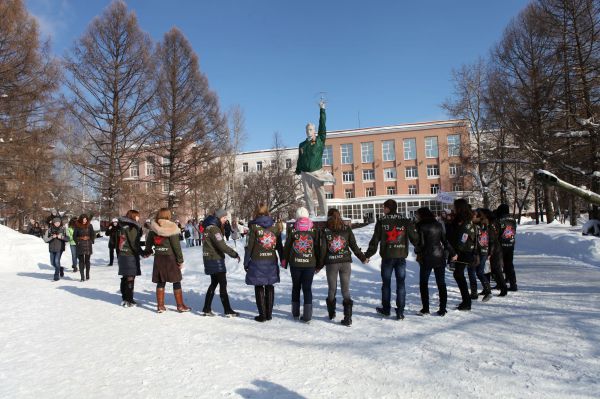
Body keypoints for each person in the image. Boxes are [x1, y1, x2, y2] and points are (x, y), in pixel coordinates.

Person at [365, 199, 418, 320]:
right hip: (400, 257)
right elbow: (415, 238)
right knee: (401, 284)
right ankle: (400, 312)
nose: (383, 210)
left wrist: (367, 255)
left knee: (386, 284)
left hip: (388, 257)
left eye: (384, 208)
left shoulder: (382, 221)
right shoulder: (405, 221)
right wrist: (421, 249)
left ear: (388, 208)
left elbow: (375, 240)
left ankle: (386, 309)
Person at [317, 208, 367, 326]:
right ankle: (348, 318)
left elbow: (323, 250)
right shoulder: (347, 228)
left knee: (332, 289)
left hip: (331, 263)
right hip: (345, 263)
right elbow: (354, 246)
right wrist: (363, 258)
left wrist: (319, 265)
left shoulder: (325, 230)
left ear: (328, 216)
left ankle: (331, 313)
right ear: (339, 216)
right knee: (346, 290)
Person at [143, 208, 190, 313]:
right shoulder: (172, 227)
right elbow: (176, 247)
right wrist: (180, 261)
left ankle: (160, 306)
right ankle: (180, 306)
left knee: (161, 281)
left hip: (159, 258)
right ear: (168, 215)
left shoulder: (153, 228)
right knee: (176, 281)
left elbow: (148, 244)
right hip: (170, 258)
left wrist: (147, 251)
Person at [295, 100, 335, 217]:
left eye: (311, 129)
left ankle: (324, 213)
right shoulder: (302, 144)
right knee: (307, 193)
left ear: (315, 131)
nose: (309, 131)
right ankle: (311, 213)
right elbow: (300, 159)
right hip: (305, 172)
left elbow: (323, 125)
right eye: (307, 129)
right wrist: (298, 169)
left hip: (317, 171)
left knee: (320, 192)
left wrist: (322, 110)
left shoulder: (319, 140)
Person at [244, 204, 283, 322]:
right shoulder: (275, 227)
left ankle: (262, 315)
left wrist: (246, 262)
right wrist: (283, 259)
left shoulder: (254, 227)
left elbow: (249, 247)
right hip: (271, 260)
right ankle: (269, 314)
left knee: (259, 285)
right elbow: (279, 246)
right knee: (270, 285)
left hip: (257, 261)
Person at [414, 207, 456, 316]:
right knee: (441, 283)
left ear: (422, 215)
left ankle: (426, 309)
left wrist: (416, 250)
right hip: (439, 256)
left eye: (418, 214)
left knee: (424, 283)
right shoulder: (438, 224)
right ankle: (442, 309)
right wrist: (453, 253)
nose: (416, 216)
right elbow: (445, 241)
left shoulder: (420, 226)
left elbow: (421, 244)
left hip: (426, 257)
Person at [282, 207, 319, 322]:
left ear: (297, 217)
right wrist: (319, 263)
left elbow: (287, 247)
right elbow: (318, 247)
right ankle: (307, 316)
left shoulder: (293, 230)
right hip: (310, 264)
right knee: (307, 289)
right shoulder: (314, 230)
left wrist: (284, 261)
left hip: (295, 264)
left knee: (296, 287)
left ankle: (295, 313)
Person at [201, 209, 241, 317]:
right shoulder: (214, 229)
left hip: (209, 258)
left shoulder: (208, 227)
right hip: (215, 259)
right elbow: (222, 246)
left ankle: (206, 308)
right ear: (219, 217)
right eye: (224, 218)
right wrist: (234, 254)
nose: (225, 220)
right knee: (222, 284)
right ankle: (227, 310)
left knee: (214, 283)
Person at [446, 199, 477, 311]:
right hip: (463, 251)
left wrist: (456, 252)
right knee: (458, 275)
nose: (453, 208)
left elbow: (463, 237)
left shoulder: (466, 221)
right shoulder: (462, 219)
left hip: (463, 252)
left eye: (455, 207)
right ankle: (466, 300)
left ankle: (467, 302)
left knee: (458, 275)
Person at [117, 210, 143, 307]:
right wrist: (142, 252)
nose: (138, 218)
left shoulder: (123, 225)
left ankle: (125, 298)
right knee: (130, 277)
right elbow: (133, 243)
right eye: (137, 216)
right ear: (133, 216)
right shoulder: (132, 227)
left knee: (125, 277)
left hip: (122, 254)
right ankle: (129, 300)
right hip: (130, 255)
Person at [480, 209, 508, 297]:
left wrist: (490, 253)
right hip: (493, 248)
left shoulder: (491, 225)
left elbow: (492, 239)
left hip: (494, 250)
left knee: (496, 270)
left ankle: (503, 288)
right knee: (487, 270)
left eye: (481, 215)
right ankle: (487, 289)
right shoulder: (491, 223)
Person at [472, 209, 493, 301]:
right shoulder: (486, 224)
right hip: (484, 250)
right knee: (480, 271)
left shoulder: (477, 225)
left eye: (474, 215)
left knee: (479, 272)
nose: (472, 216)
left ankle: (488, 291)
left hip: (479, 251)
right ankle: (487, 290)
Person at [496, 204, 518, 291]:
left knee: (498, 265)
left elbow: (497, 232)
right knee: (509, 264)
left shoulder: (499, 219)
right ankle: (513, 283)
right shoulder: (513, 219)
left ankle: (501, 283)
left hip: (501, 244)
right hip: (510, 243)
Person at [73, 214, 95, 282]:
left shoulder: (90, 225)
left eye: (85, 219)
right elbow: (74, 236)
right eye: (83, 219)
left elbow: (92, 234)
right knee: (81, 261)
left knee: (87, 260)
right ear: (80, 219)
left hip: (88, 244)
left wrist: (91, 240)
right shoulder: (77, 226)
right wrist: (78, 242)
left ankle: (87, 274)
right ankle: (82, 277)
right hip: (80, 244)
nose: (84, 221)